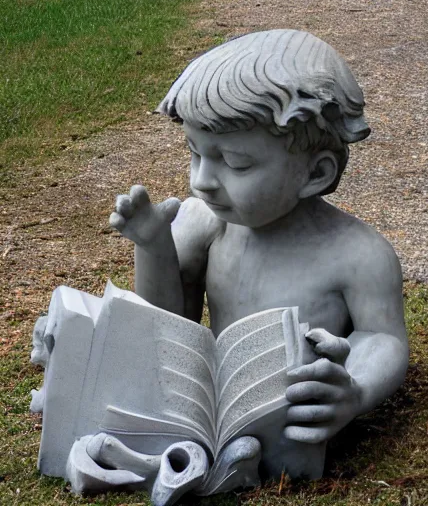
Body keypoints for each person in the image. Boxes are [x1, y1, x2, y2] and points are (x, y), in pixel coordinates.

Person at [110, 29, 408, 466]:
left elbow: (381, 336)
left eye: (235, 162)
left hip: (289, 420)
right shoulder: (204, 225)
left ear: (315, 174)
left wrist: (354, 388)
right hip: (210, 405)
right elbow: (170, 330)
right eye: (194, 153)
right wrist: (154, 248)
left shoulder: (357, 254)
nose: (201, 180)